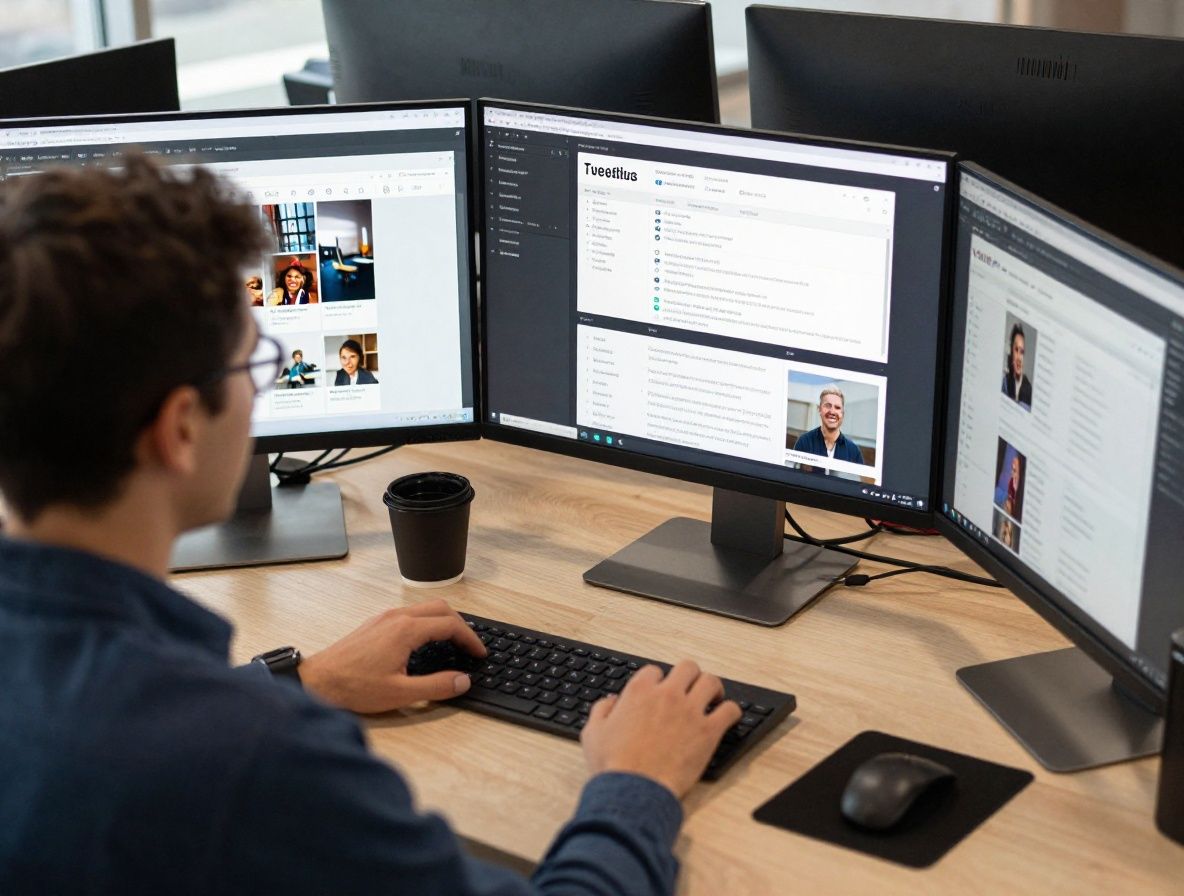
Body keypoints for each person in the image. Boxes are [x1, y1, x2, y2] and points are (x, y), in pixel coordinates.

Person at [0, 156, 741, 895]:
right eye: (251, 364)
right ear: (181, 429)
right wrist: (638, 781)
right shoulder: (255, 763)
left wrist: (299, 681)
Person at [792, 386, 866, 473]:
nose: (832, 411)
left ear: (843, 414)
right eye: (827, 406)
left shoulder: (853, 451)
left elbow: (857, 484)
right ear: (819, 409)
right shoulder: (804, 442)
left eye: (837, 407)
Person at [1002, 323, 1033, 409]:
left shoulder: (1028, 390)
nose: (1019, 358)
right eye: (1016, 350)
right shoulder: (1005, 382)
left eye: (1022, 352)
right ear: (1011, 352)